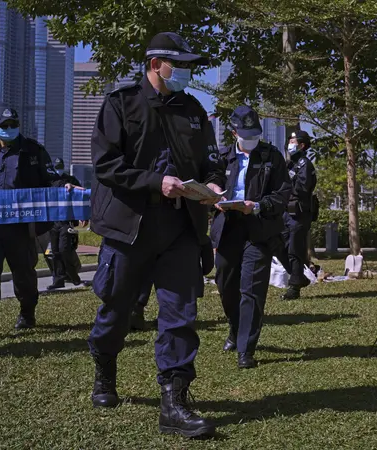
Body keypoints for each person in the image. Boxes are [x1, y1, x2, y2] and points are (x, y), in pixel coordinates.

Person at [85, 32, 225, 439]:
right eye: (178, 64)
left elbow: (210, 162)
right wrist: (154, 182)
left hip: (180, 229)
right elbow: (106, 165)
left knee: (181, 315)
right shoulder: (121, 103)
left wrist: (213, 186)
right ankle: (105, 373)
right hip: (130, 227)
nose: (185, 72)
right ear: (155, 64)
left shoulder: (195, 111)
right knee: (116, 309)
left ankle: (174, 403)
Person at [0, 108, 72, 343]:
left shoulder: (33, 150)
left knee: (24, 273)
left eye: (13, 124)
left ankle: (27, 312)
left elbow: (51, 178)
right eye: (4, 124)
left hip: (21, 226)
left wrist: (64, 185)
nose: (9, 128)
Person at [211, 105, 291, 369]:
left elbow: (283, 194)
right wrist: (213, 197)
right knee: (226, 284)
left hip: (258, 230)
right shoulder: (222, 157)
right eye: (246, 134)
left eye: (255, 134)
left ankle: (246, 349)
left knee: (253, 290)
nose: (251, 139)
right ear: (234, 133)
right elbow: (209, 184)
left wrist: (257, 205)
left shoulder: (272, 156)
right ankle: (235, 329)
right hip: (227, 228)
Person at [278, 130, 317, 300]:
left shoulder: (304, 165)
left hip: (299, 214)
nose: (290, 144)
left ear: (301, 145)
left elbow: (302, 188)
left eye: (293, 141)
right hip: (286, 213)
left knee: (294, 249)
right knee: (280, 246)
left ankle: (294, 287)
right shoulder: (289, 164)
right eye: (289, 141)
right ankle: (299, 277)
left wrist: (288, 184)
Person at [47, 157, 88, 290]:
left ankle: (74, 278)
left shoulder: (70, 179)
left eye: (60, 166)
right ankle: (58, 279)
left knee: (65, 250)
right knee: (55, 252)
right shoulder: (49, 180)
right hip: (53, 221)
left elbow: (82, 192)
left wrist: (72, 186)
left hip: (67, 220)